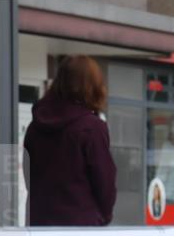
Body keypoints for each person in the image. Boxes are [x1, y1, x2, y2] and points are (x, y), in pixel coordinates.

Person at [24, 55, 117, 226]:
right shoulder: (92, 128)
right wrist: (103, 216)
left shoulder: (35, 127)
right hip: (80, 228)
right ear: (93, 86)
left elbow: (28, 177)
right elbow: (105, 183)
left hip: (38, 224)